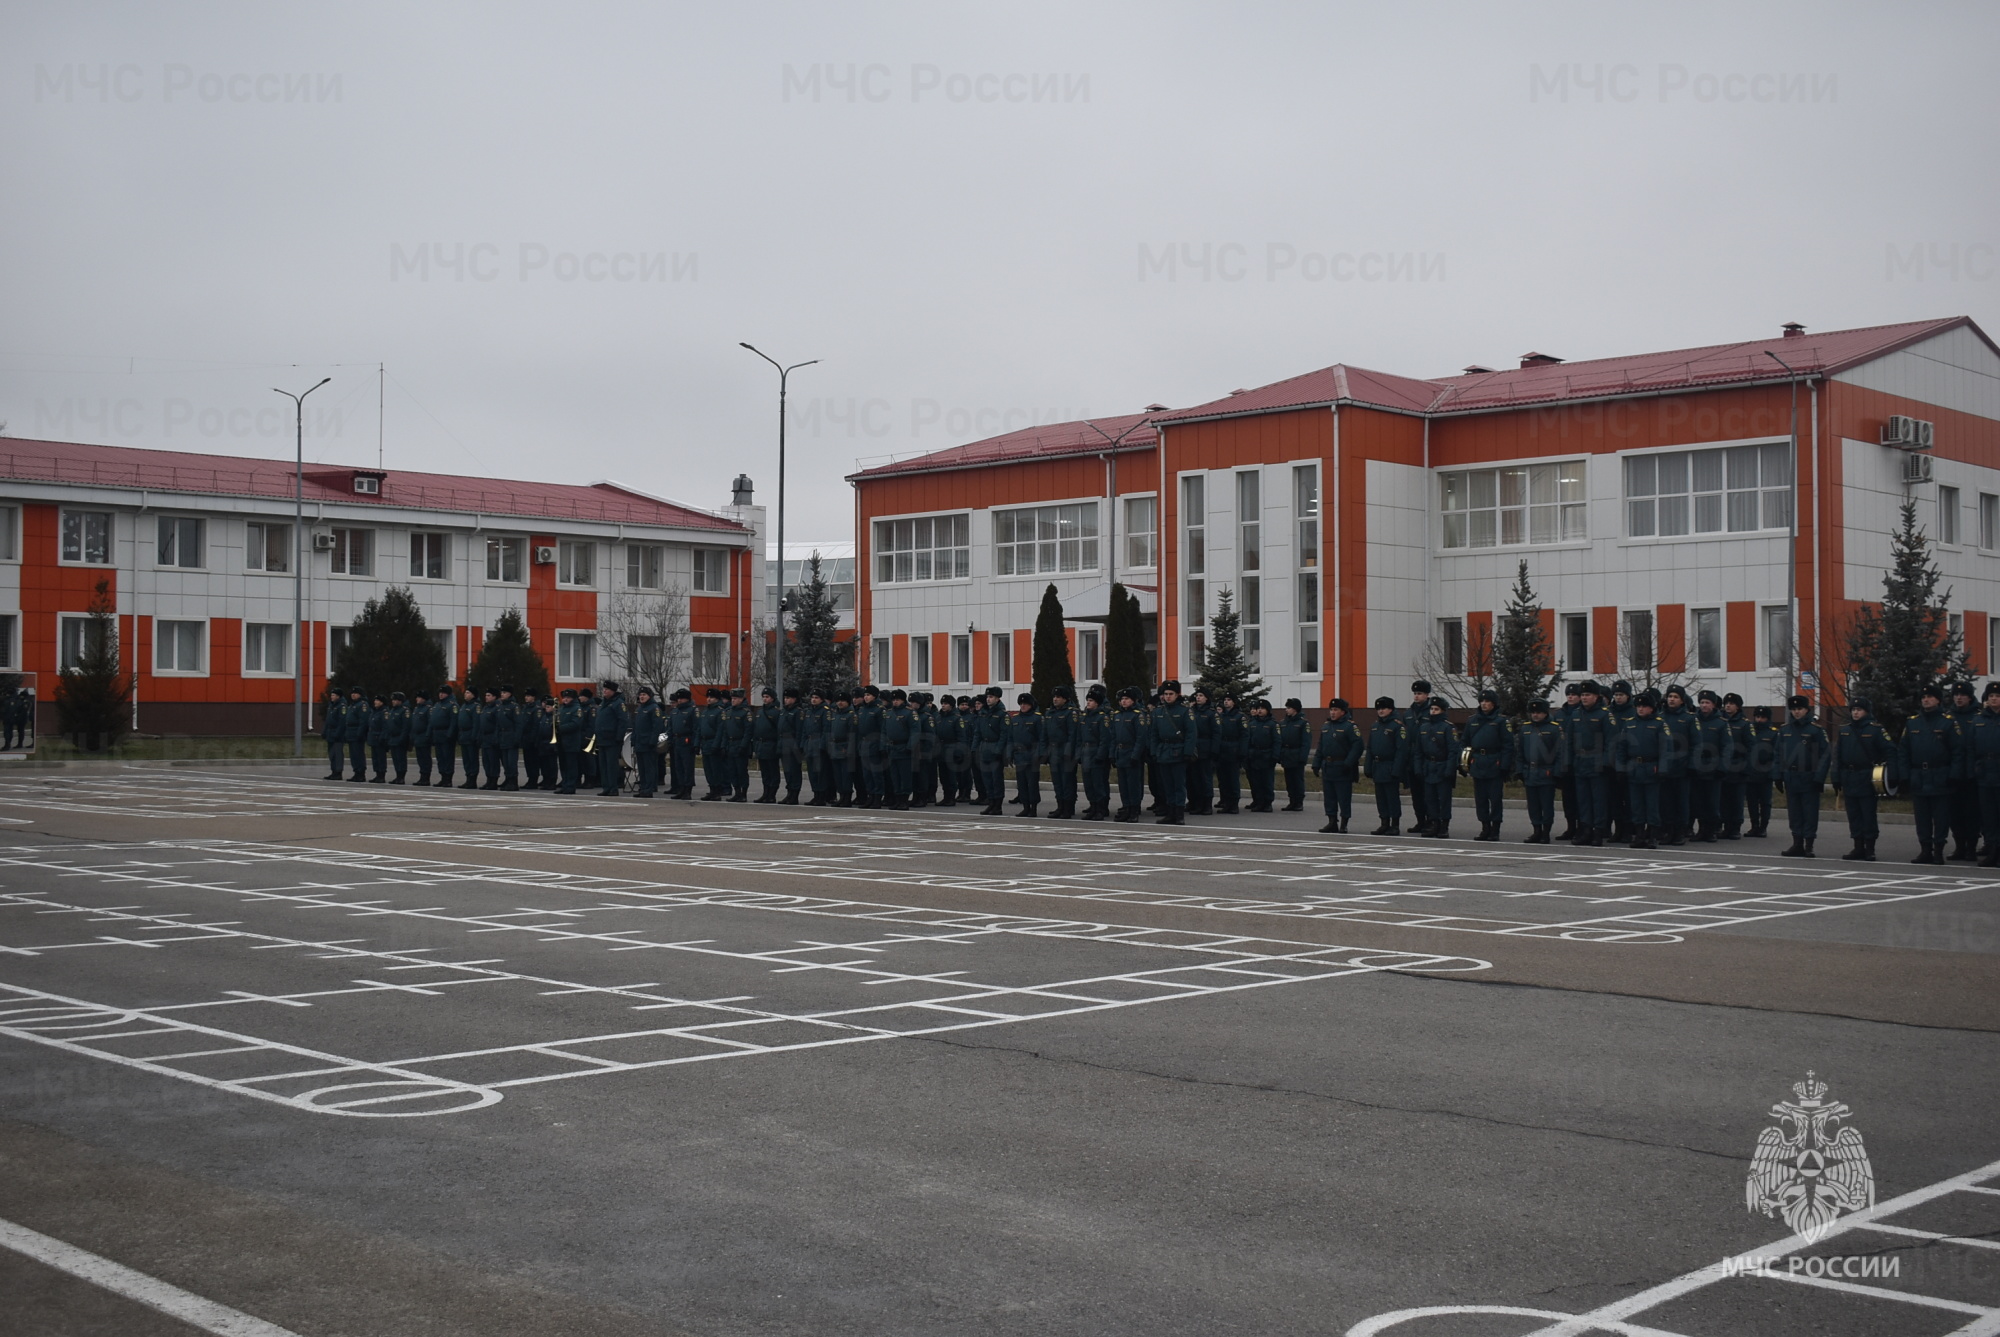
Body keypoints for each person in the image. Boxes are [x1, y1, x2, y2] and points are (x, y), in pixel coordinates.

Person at [1899, 682, 1958, 864]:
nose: (1926, 700)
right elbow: (1903, 751)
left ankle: (1938, 850)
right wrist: (1904, 775)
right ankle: (1925, 850)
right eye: (1923, 698)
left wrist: (1954, 774)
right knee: (1922, 817)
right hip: (1919, 776)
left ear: (1938, 700)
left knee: (1941, 817)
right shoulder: (1913, 722)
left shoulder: (1948, 722)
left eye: (1930, 697)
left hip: (1940, 775)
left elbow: (1958, 751)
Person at [1834, 696, 1893, 862]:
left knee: (1868, 814)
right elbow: (1838, 755)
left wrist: (1890, 774)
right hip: (1849, 777)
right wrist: (1836, 776)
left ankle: (1870, 848)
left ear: (1866, 711)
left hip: (1867, 777)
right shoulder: (1845, 730)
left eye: (1859, 710)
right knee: (1853, 815)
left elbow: (1889, 751)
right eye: (1853, 709)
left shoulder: (1875, 730)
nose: (1855, 712)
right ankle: (1858, 846)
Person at [1777, 694, 1831, 858]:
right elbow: (1778, 754)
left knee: (1809, 812)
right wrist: (1777, 775)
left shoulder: (1816, 730)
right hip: (1791, 776)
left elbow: (1825, 755)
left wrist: (1819, 777)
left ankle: (1809, 845)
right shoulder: (1785, 730)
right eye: (1793, 709)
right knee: (1794, 813)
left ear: (1807, 710)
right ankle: (1797, 843)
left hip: (1809, 776)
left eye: (1799, 708)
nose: (1796, 712)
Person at [1611, 689, 1666, 849]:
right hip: (1634, 768)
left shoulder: (1659, 724)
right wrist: (1620, 768)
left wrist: (1663, 768)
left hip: (1651, 768)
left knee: (1652, 805)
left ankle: (1653, 836)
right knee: (1636, 805)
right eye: (1638, 706)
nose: (1641, 709)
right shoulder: (1629, 724)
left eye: (1644, 706)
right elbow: (1621, 748)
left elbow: (1665, 749)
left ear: (1651, 708)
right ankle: (1639, 835)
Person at [1461, 688, 1513, 841]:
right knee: (1481, 799)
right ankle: (1485, 827)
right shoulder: (1472, 721)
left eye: (1487, 701)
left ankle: (1495, 829)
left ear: (1494, 704)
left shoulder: (1501, 721)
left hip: (1494, 762)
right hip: (1477, 763)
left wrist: (1504, 766)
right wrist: (1464, 762)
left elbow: (1508, 745)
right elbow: (1464, 742)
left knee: (1495, 799)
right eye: (1482, 701)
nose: (1484, 704)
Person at [1514, 698, 1566, 843]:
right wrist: (1520, 770)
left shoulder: (1554, 728)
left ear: (1545, 713)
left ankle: (1545, 832)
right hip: (1530, 772)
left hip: (1546, 772)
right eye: (1533, 712)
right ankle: (1536, 830)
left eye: (1538, 712)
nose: (1535, 715)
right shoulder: (1525, 728)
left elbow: (1560, 753)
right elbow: (1520, 751)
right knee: (1533, 805)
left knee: (1546, 805)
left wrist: (1557, 773)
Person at [1313, 697, 1361, 834]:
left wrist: (1348, 763)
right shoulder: (1326, 726)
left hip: (1342, 766)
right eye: (1331, 710)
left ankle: (1344, 823)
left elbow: (1357, 746)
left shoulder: (1350, 727)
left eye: (1336, 710)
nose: (1332, 712)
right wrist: (1316, 763)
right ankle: (1332, 821)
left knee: (1343, 797)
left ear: (1343, 712)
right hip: (1328, 766)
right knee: (1329, 797)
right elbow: (1321, 747)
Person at [1412, 696, 1459, 839]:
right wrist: (1418, 768)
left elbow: (1453, 751)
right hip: (1428, 767)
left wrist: (1450, 769)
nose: (1433, 711)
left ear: (1443, 711)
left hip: (1442, 766)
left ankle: (1444, 825)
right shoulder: (1424, 727)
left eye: (1436, 709)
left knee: (1443, 799)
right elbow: (1418, 751)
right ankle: (1434, 823)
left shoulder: (1448, 727)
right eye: (1431, 709)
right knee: (1430, 798)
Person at [1148, 680, 1191, 824]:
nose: (1167, 696)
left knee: (1178, 785)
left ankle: (1179, 814)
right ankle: (1170, 812)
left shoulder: (1184, 711)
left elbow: (1191, 734)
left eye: (1171, 694)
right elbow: (1154, 734)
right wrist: (1154, 752)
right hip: (1163, 751)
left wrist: (1188, 752)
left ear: (1177, 695)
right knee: (1167, 785)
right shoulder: (1158, 712)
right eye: (1165, 694)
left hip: (1178, 751)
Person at [1364, 696, 1409, 835]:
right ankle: (1384, 822)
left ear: (1390, 709)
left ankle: (1394, 824)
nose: (1381, 711)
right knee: (1381, 798)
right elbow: (1370, 748)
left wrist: (1397, 769)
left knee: (1392, 797)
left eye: (1383, 708)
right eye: (1378, 708)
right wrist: (1368, 766)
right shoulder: (1375, 726)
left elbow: (1401, 750)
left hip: (1390, 765)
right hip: (1378, 766)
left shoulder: (1397, 726)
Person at [1687, 690, 1727, 843]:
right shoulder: (1693, 720)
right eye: (1702, 702)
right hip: (1697, 767)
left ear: (1713, 705)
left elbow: (1727, 747)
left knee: (1712, 802)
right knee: (1697, 801)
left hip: (1713, 767)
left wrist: (1722, 767)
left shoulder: (1721, 723)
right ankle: (1701, 829)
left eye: (1707, 702)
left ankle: (1711, 830)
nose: (1704, 705)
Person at [1655, 686, 1694, 846]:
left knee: (1681, 801)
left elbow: (1696, 744)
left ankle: (1680, 832)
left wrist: (1692, 765)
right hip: (1664, 767)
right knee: (1665, 802)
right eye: (1670, 696)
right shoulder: (1660, 717)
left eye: (1676, 697)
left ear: (1682, 700)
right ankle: (1668, 830)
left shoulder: (1689, 719)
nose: (1672, 699)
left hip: (1682, 767)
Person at [1968, 683, 2000, 869]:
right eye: (1991, 696)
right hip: (1984, 773)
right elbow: (1970, 747)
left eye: (1997, 695)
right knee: (1988, 816)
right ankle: (1992, 850)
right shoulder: (1978, 720)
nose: (1994, 699)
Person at [1949, 680, 1982, 860]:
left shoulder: (1978, 716)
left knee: (1972, 813)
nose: (1959, 698)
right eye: (1956, 695)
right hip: (1953, 773)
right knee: (1955, 813)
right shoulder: (1948, 717)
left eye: (1962, 695)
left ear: (1970, 697)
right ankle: (1959, 846)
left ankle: (1971, 847)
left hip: (1972, 774)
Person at [1109, 686, 1149, 822]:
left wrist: (1135, 755)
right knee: (1123, 785)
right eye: (1122, 699)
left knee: (1133, 784)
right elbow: (1113, 737)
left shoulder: (1138, 715)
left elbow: (1141, 738)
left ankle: (1134, 810)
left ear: (1133, 700)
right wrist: (1112, 754)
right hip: (1120, 753)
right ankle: (1126, 808)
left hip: (1131, 752)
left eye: (1127, 699)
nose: (1124, 701)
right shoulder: (1117, 715)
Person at [1717, 693, 1751, 839]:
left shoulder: (1744, 724)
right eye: (1726, 703)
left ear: (1738, 706)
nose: (1728, 706)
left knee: (1736, 800)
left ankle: (1735, 827)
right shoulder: (1721, 722)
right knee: (1723, 799)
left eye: (1731, 703)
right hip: (1723, 766)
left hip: (1739, 767)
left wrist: (1746, 767)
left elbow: (1751, 748)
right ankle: (1725, 826)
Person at [1076, 686, 1112, 820]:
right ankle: (1093, 806)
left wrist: (1100, 755)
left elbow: (1105, 739)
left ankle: (1101, 809)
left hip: (1096, 752)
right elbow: (1079, 738)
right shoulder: (1084, 717)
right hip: (1086, 753)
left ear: (1097, 703)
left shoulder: (1102, 718)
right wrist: (1079, 754)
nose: (1088, 703)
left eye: (1091, 701)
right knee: (1088, 783)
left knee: (1098, 783)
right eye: (1088, 700)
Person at [1404, 680, 1435, 834]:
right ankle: (1420, 820)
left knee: (1427, 792)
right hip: (1411, 757)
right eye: (1415, 693)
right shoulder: (1409, 713)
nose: (1416, 696)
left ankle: (1431, 820)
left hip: (1425, 757)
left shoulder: (1432, 711)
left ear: (1427, 695)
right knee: (1416, 793)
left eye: (1420, 693)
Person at [1043, 686, 1078, 818]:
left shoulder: (1070, 713)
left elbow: (1072, 735)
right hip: (1053, 751)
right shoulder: (1049, 713)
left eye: (1058, 697)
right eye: (1054, 697)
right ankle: (1060, 806)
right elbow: (1044, 735)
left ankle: (1068, 808)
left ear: (1065, 699)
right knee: (1057, 781)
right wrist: (1045, 752)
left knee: (1067, 781)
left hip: (1065, 751)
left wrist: (1068, 752)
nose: (1055, 699)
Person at [1005, 691, 1042, 817]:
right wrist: (1009, 754)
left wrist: (1038, 754)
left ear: (1031, 705)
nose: (1023, 706)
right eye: (1021, 704)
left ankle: (1033, 807)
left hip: (1032, 755)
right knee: (1022, 784)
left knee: (1032, 784)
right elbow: (1010, 738)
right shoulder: (1015, 719)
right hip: (1019, 755)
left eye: (1025, 704)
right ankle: (1025, 807)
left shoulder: (1037, 718)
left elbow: (1041, 738)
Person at [1555, 682, 1583, 839]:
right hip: (1562, 760)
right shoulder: (1559, 714)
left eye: (1574, 695)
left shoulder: (1581, 713)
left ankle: (1581, 827)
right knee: (1567, 798)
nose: (1571, 697)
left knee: (1580, 798)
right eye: (1568, 695)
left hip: (1578, 760)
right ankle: (1570, 827)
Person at [1745, 705, 1778, 837]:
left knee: (1765, 802)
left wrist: (1772, 772)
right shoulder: (1749, 731)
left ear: (1768, 718)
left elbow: (1776, 755)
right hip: (1750, 772)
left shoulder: (1773, 734)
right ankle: (1754, 826)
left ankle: (1763, 827)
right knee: (1751, 802)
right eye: (1757, 717)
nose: (1759, 720)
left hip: (1765, 774)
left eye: (1762, 717)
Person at [975, 687, 1008, 815]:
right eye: (987, 697)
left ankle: (997, 805)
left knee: (996, 779)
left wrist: (998, 750)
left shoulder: (1002, 714)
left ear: (998, 698)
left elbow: (1004, 734)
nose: (988, 699)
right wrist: (974, 748)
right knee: (987, 779)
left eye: (991, 697)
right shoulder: (983, 713)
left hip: (995, 747)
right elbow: (978, 732)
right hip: (984, 748)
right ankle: (991, 803)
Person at [1242, 699, 1279, 812]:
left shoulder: (1272, 724)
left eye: (1262, 708)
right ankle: (1259, 802)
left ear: (1268, 710)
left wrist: (1275, 756)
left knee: (1267, 781)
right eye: (1258, 708)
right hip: (1254, 755)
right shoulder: (1252, 724)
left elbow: (1277, 741)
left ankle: (1268, 803)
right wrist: (1247, 754)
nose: (1259, 710)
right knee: (1256, 781)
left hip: (1267, 755)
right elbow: (1247, 740)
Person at [1212, 693, 1246, 815]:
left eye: (1229, 700)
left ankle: (1234, 804)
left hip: (1233, 749)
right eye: (1225, 700)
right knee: (1223, 779)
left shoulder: (1240, 717)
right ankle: (1226, 803)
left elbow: (1244, 735)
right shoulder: (1220, 716)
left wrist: (1242, 751)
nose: (1226, 702)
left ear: (1234, 702)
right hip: (1222, 750)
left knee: (1233, 779)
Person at [881, 689, 915, 810]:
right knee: (895, 776)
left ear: (903, 700)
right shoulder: (888, 713)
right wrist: (883, 746)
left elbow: (915, 732)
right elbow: (884, 731)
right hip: (892, 749)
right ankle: (898, 799)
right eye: (893, 699)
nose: (895, 702)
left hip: (904, 748)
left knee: (904, 776)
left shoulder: (909, 713)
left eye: (898, 699)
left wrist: (910, 746)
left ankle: (904, 800)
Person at [593, 681, 627, 796]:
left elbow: (622, 721)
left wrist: (619, 737)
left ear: (613, 691)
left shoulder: (618, 703)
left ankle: (613, 788)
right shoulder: (603, 703)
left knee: (611, 765)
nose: (604, 691)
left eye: (607, 689)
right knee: (603, 766)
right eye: (604, 689)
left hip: (612, 740)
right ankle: (606, 787)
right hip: (602, 739)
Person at [1184, 688, 1215, 817]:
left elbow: (1216, 733)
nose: (1198, 698)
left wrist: (1213, 750)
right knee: (1193, 779)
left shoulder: (1211, 714)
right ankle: (1195, 803)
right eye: (1197, 695)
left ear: (1206, 698)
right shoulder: (1191, 712)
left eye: (1201, 695)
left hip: (1205, 749)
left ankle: (1207, 805)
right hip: (1193, 748)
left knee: (1205, 778)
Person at [630, 687, 665, 798]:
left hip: (648, 743)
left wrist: (652, 740)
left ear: (650, 696)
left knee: (649, 767)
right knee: (642, 768)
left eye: (644, 695)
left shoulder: (654, 708)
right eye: (640, 695)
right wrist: (633, 739)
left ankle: (649, 789)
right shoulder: (640, 709)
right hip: (639, 742)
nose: (642, 697)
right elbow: (635, 726)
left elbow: (657, 726)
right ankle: (643, 788)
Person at [752, 686, 785, 803]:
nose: (765, 699)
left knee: (772, 771)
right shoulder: (760, 712)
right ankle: (765, 793)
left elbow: (779, 731)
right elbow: (756, 729)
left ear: (772, 698)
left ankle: (772, 794)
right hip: (761, 745)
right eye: (763, 697)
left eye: (767, 697)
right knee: (765, 772)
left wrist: (778, 746)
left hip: (771, 745)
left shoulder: (776, 712)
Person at [1278, 698, 1310, 811]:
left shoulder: (1303, 723)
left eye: (1289, 708)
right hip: (1286, 754)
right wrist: (1280, 754)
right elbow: (1280, 740)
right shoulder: (1283, 723)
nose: (1286, 710)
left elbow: (1306, 742)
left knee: (1297, 780)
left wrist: (1302, 757)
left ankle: (1299, 802)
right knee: (1289, 780)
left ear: (1295, 709)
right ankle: (1292, 801)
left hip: (1296, 755)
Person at [554, 688, 587, 793]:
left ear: (573, 698)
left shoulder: (576, 709)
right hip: (561, 741)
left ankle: (571, 786)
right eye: (564, 697)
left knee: (571, 765)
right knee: (563, 765)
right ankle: (565, 784)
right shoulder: (562, 708)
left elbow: (576, 724)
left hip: (571, 741)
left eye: (568, 697)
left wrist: (561, 728)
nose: (565, 699)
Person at [667, 688, 699, 799]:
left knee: (687, 767)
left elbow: (696, 728)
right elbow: (670, 728)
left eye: (682, 698)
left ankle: (687, 790)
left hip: (687, 741)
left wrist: (695, 743)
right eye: (679, 698)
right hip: (677, 741)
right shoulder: (674, 711)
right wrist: (670, 740)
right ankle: (681, 788)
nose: (680, 700)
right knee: (678, 767)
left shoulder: (692, 711)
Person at [826, 689, 856, 806]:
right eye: (838, 701)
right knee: (838, 775)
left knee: (846, 775)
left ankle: (847, 797)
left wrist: (850, 750)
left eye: (843, 700)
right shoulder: (835, 714)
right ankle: (841, 796)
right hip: (835, 747)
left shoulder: (851, 715)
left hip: (845, 747)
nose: (840, 703)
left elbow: (853, 734)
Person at [697, 688, 728, 800]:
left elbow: (721, 730)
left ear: (717, 699)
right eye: (708, 697)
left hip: (713, 742)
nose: (709, 699)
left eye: (712, 697)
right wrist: (697, 743)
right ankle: (712, 789)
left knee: (715, 769)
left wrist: (716, 745)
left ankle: (717, 791)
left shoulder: (720, 711)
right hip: (705, 743)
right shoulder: (705, 711)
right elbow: (700, 728)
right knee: (708, 769)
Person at [428, 686, 459, 790]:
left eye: (443, 693)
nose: (441, 694)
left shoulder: (452, 705)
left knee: (447, 757)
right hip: (437, 733)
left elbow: (453, 721)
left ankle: (448, 778)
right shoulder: (437, 705)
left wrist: (450, 734)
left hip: (446, 733)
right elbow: (432, 720)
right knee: (440, 757)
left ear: (448, 694)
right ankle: (443, 776)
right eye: (440, 693)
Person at [778, 686, 804, 804]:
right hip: (784, 744)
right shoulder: (783, 711)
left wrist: (797, 747)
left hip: (793, 744)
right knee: (787, 771)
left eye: (788, 698)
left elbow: (799, 731)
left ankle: (794, 794)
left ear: (794, 699)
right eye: (785, 698)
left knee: (794, 771)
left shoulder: (798, 712)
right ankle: (789, 793)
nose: (786, 700)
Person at [456, 688, 483, 789]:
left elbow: (476, 723)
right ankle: (468, 778)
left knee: (472, 759)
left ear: (473, 695)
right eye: (465, 692)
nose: (465, 694)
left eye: (468, 693)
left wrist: (474, 736)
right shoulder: (464, 706)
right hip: (463, 735)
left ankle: (472, 779)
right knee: (466, 760)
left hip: (470, 734)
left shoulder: (476, 706)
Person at [341, 686, 370, 782]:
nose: (353, 695)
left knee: (358, 754)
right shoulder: (352, 705)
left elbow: (363, 721)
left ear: (360, 695)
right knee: (353, 755)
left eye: (355, 693)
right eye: (352, 693)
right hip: (351, 732)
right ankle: (356, 772)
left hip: (357, 732)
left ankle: (361, 773)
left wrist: (360, 733)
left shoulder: (362, 705)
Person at [384, 691, 413, 783]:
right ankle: (397, 775)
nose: (393, 701)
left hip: (399, 737)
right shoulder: (392, 710)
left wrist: (402, 738)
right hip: (392, 738)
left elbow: (406, 727)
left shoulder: (404, 711)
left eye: (395, 700)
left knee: (401, 758)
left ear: (400, 701)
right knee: (395, 758)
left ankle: (401, 776)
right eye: (393, 700)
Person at [365, 692, 393, 782]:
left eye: (377, 700)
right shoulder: (374, 711)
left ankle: (381, 775)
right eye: (375, 700)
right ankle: (377, 774)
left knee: (381, 758)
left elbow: (385, 726)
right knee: (375, 758)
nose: (375, 702)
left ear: (382, 702)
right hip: (373, 738)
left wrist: (383, 737)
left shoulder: (384, 712)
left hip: (379, 738)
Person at [321, 688, 347, 780]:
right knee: (331, 754)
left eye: (334, 695)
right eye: (331, 695)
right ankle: (333, 771)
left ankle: (338, 772)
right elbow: (328, 720)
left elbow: (342, 721)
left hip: (337, 734)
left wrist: (338, 733)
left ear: (338, 696)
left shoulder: (342, 706)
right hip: (330, 733)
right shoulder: (331, 705)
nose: (332, 697)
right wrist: (324, 731)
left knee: (337, 754)